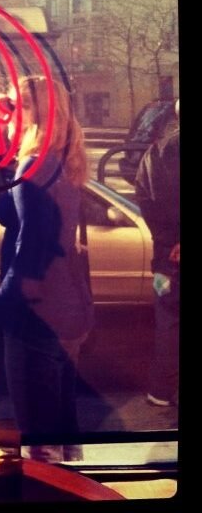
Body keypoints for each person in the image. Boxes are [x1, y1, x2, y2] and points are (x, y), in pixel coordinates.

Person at [0, 75, 94, 462]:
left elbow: (31, 245)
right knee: (62, 419)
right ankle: (73, 480)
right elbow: (10, 211)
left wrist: (5, 305)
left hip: (37, 311)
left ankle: (50, 486)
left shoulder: (33, 164)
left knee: (37, 433)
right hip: (67, 304)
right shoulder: (62, 160)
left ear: (38, 113)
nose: (9, 112)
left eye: (17, 105)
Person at [134, 99, 179, 407]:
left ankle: (160, 391)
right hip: (171, 250)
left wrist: (167, 242)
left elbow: (146, 202)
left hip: (165, 259)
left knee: (169, 323)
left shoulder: (153, 155)